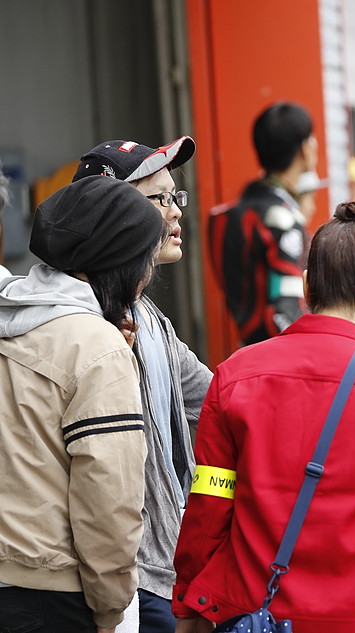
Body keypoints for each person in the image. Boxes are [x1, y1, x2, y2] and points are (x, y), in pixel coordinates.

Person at [172, 200, 355, 633]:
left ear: (308, 285)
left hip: (259, 614)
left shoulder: (235, 375)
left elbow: (211, 500)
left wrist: (191, 599)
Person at [0, 176, 166, 632]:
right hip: (51, 598)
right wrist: (112, 609)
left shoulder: (13, 315)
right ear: (123, 264)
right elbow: (107, 504)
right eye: (147, 260)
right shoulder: (97, 348)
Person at [72, 136, 213, 633]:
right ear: (112, 214)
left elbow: (217, 398)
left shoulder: (149, 317)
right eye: (159, 199)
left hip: (168, 564)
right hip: (125, 582)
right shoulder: (81, 324)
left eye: (177, 196)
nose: (176, 212)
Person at [208, 102, 319, 345]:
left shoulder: (227, 215)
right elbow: (287, 310)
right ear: (305, 149)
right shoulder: (282, 219)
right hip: (282, 352)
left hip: (249, 347)